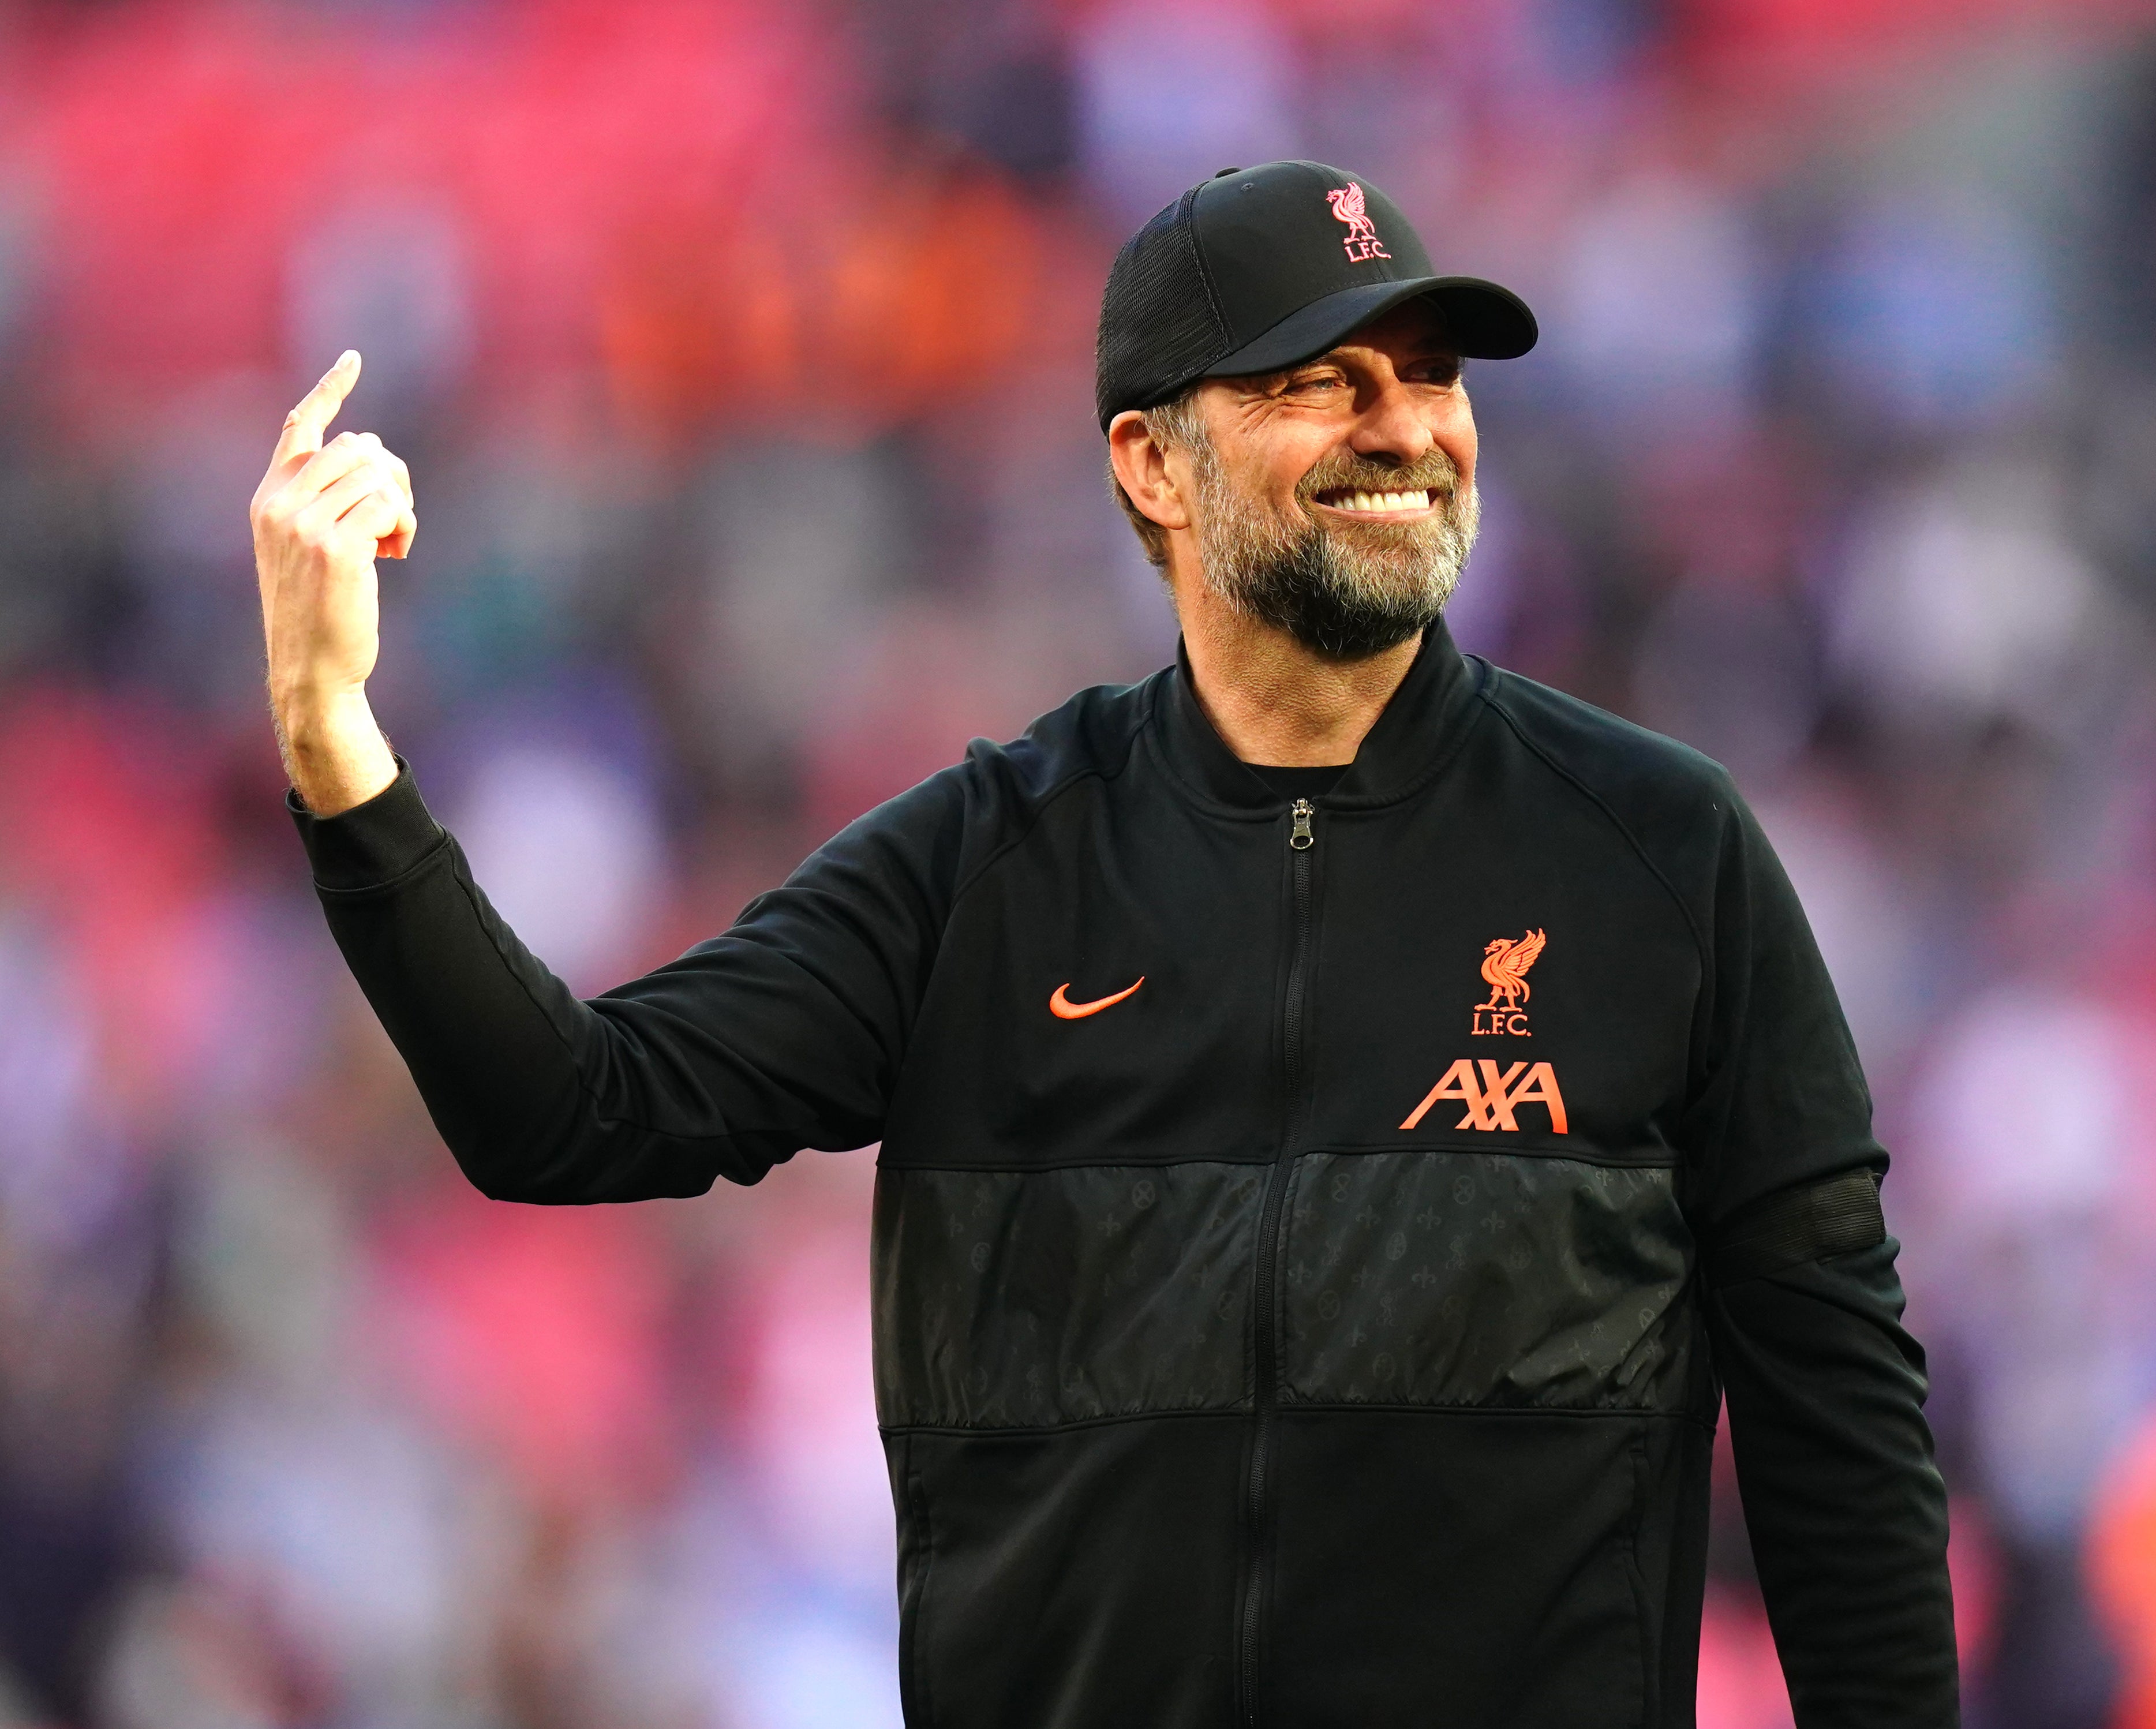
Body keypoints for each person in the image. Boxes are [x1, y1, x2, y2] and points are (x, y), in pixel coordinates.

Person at [248, 161, 1957, 1728]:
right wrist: (339, 744)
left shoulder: (1659, 851)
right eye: (1318, 383)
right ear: (1152, 460)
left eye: (1429, 377)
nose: (1405, 428)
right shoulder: (989, 863)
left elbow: (1836, 1413)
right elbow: (571, 1108)